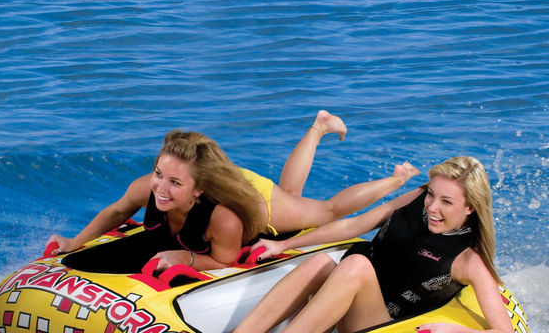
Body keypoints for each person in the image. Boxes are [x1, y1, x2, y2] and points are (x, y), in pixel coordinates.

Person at [45, 110, 417, 274]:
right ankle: (318, 126)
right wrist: (74, 242)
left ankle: (399, 178)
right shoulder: (150, 187)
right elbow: (116, 211)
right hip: (217, 182)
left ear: (197, 188)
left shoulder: (223, 216)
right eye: (160, 174)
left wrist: (187, 259)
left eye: (174, 182)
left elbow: (224, 260)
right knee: (290, 190)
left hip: (255, 201)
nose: (160, 187)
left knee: (326, 210)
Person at [225, 156, 517, 333]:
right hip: (351, 296)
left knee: (356, 264)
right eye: (431, 195)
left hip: (381, 330)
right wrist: (285, 243)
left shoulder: (469, 259)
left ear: (470, 209)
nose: (432, 207)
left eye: (446, 201)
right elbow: (355, 224)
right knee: (319, 263)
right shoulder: (418, 199)